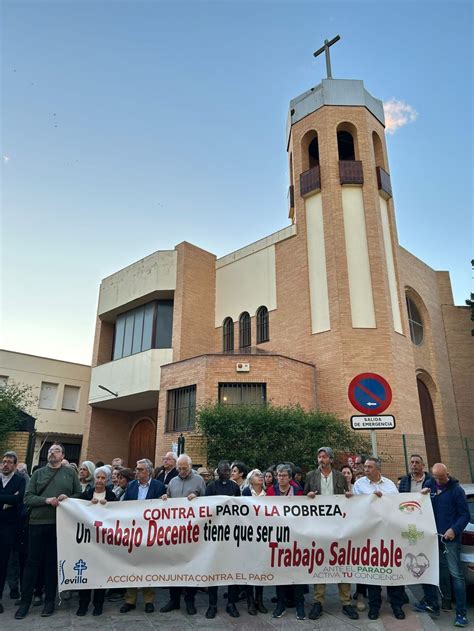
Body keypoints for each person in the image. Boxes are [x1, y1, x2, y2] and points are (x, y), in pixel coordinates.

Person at [15, 443, 81, 619]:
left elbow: (79, 494)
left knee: (52, 563)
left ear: (63, 455)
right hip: (37, 523)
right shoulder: (38, 473)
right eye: (50, 451)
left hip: (59, 525)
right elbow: (28, 497)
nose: (52, 453)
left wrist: (68, 498)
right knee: (32, 563)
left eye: (56, 451)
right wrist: (46, 500)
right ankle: (25, 602)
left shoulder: (70, 473)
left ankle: (50, 601)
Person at [304, 447, 357, 621]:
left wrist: (348, 497)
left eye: (324, 456)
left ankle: (346, 601)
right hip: (318, 527)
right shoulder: (311, 476)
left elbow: (346, 497)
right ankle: (318, 601)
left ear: (331, 459)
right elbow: (303, 498)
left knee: (341, 560)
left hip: (338, 526)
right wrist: (308, 496)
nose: (321, 459)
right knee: (319, 561)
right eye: (319, 456)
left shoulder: (340, 476)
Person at [414, 463, 470, 627]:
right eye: (436, 477)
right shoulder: (429, 484)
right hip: (431, 537)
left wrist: (454, 529)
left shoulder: (457, 490)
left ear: (447, 474)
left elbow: (465, 515)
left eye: (442, 477)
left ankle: (461, 614)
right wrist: (422, 495)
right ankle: (432, 604)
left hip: (449, 540)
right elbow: (421, 507)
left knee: (456, 575)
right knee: (427, 570)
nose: (439, 480)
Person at [351, 457, 406, 621]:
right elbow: (355, 507)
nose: (366, 469)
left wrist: (383, 500)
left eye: (369, 467)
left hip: (389, 534)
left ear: (378, 469)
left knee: (393, 569)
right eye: (365, 467)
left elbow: (398, 507)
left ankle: (397, 606)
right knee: (373, 571)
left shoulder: (389, 485)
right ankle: (374, 607)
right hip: (370, 535)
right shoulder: (359, 485)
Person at [160, 454, 206, 615]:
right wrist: (165, 498)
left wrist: (198, 497)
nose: (182, 471)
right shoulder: (173, 481)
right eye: (179, 468)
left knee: (190, 566)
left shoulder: (199, 480)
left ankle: (190, 601)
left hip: (192, 532)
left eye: (184, 468)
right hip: (175, 533)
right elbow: (169, 499)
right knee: (174, 566)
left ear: (190, 466)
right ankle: (174, 600)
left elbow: (207, 504)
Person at [120, 459, 165, 614]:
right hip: (133, 532)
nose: (136, 472)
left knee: (148, 566)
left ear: (149, 472)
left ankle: (148, 600)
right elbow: (124, 506)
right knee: (131, 565)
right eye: (136, 469)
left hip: (151, 533)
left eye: (140, 469)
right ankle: (130, 600)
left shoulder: (159, 486)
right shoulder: (131, 486)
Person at [76, 467, 117, 616]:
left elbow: (119, 516)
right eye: (97, 477)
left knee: (101, 572)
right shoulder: (86, 494)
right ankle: (83, 603)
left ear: (107, 480)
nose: (100, 481)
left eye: (103, 478)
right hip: (87, 541)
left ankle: (98, 604)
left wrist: (110, 507)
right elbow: (75, 509)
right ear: (94, 479)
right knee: (86, 572)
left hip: (104, 542)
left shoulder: (112, 496)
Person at [267, 463, 305, 620]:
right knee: (280, 572)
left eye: (283, 475)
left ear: (290, 477)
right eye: (278, 475)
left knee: (298, 572)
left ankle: (300, 605)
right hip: (278, 537)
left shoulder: (298, 491)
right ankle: (280, 604)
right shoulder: (271, 491)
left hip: (296, 537)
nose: (280, 478)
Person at [204, 461, 241, 619]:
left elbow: (240, 508)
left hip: (231, 534)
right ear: (218, 471)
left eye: (228, 470)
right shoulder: (211, 487)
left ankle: (231, 603)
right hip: (215, 534)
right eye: (223, 470)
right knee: (214, 569)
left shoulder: (235, 487)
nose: (226, 472)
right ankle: (212, 604)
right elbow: (206, 508)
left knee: (231, 570)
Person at [0, 451, 26, 615]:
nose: (5, 464)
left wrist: (11, 499)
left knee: (3, 563)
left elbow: (19, 499)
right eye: (3, 461)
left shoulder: (20, 480)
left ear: (15, 465)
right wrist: (8, 498)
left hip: (9, 528)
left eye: (9, 462)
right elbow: (12, 498)